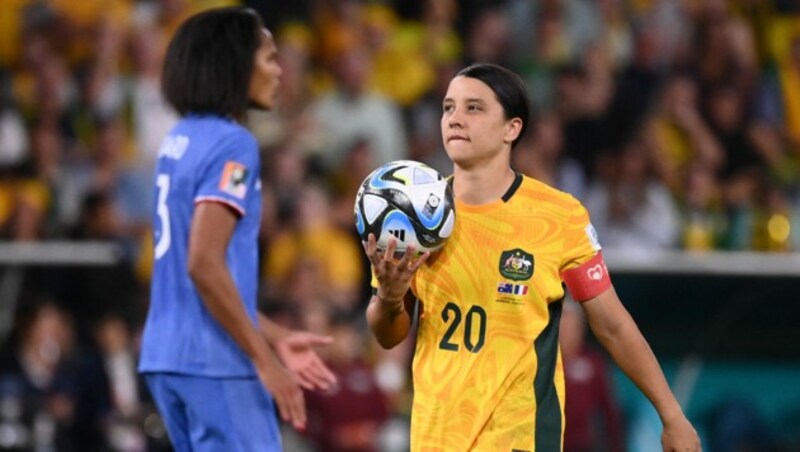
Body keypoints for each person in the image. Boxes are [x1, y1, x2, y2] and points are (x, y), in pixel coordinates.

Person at [363, 62, 700, 451]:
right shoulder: (413, 214)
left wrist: (671, 414)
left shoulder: (557, 215)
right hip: (436, 438)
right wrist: (389, 298)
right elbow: (388, 336)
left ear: (512, 128)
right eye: (448, 107)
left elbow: (612, 325)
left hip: (521, 437)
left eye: (474, 108)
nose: (455, 118)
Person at [137, 7, 337, 451]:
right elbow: (204, 265)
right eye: (269, 58)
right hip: (216, 361)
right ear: (235, 65)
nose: (280, 71)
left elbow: (203, 275)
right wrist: (263, 359)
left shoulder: (179, 139)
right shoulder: (234, 144)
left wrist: (276, 335)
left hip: (167, 357)